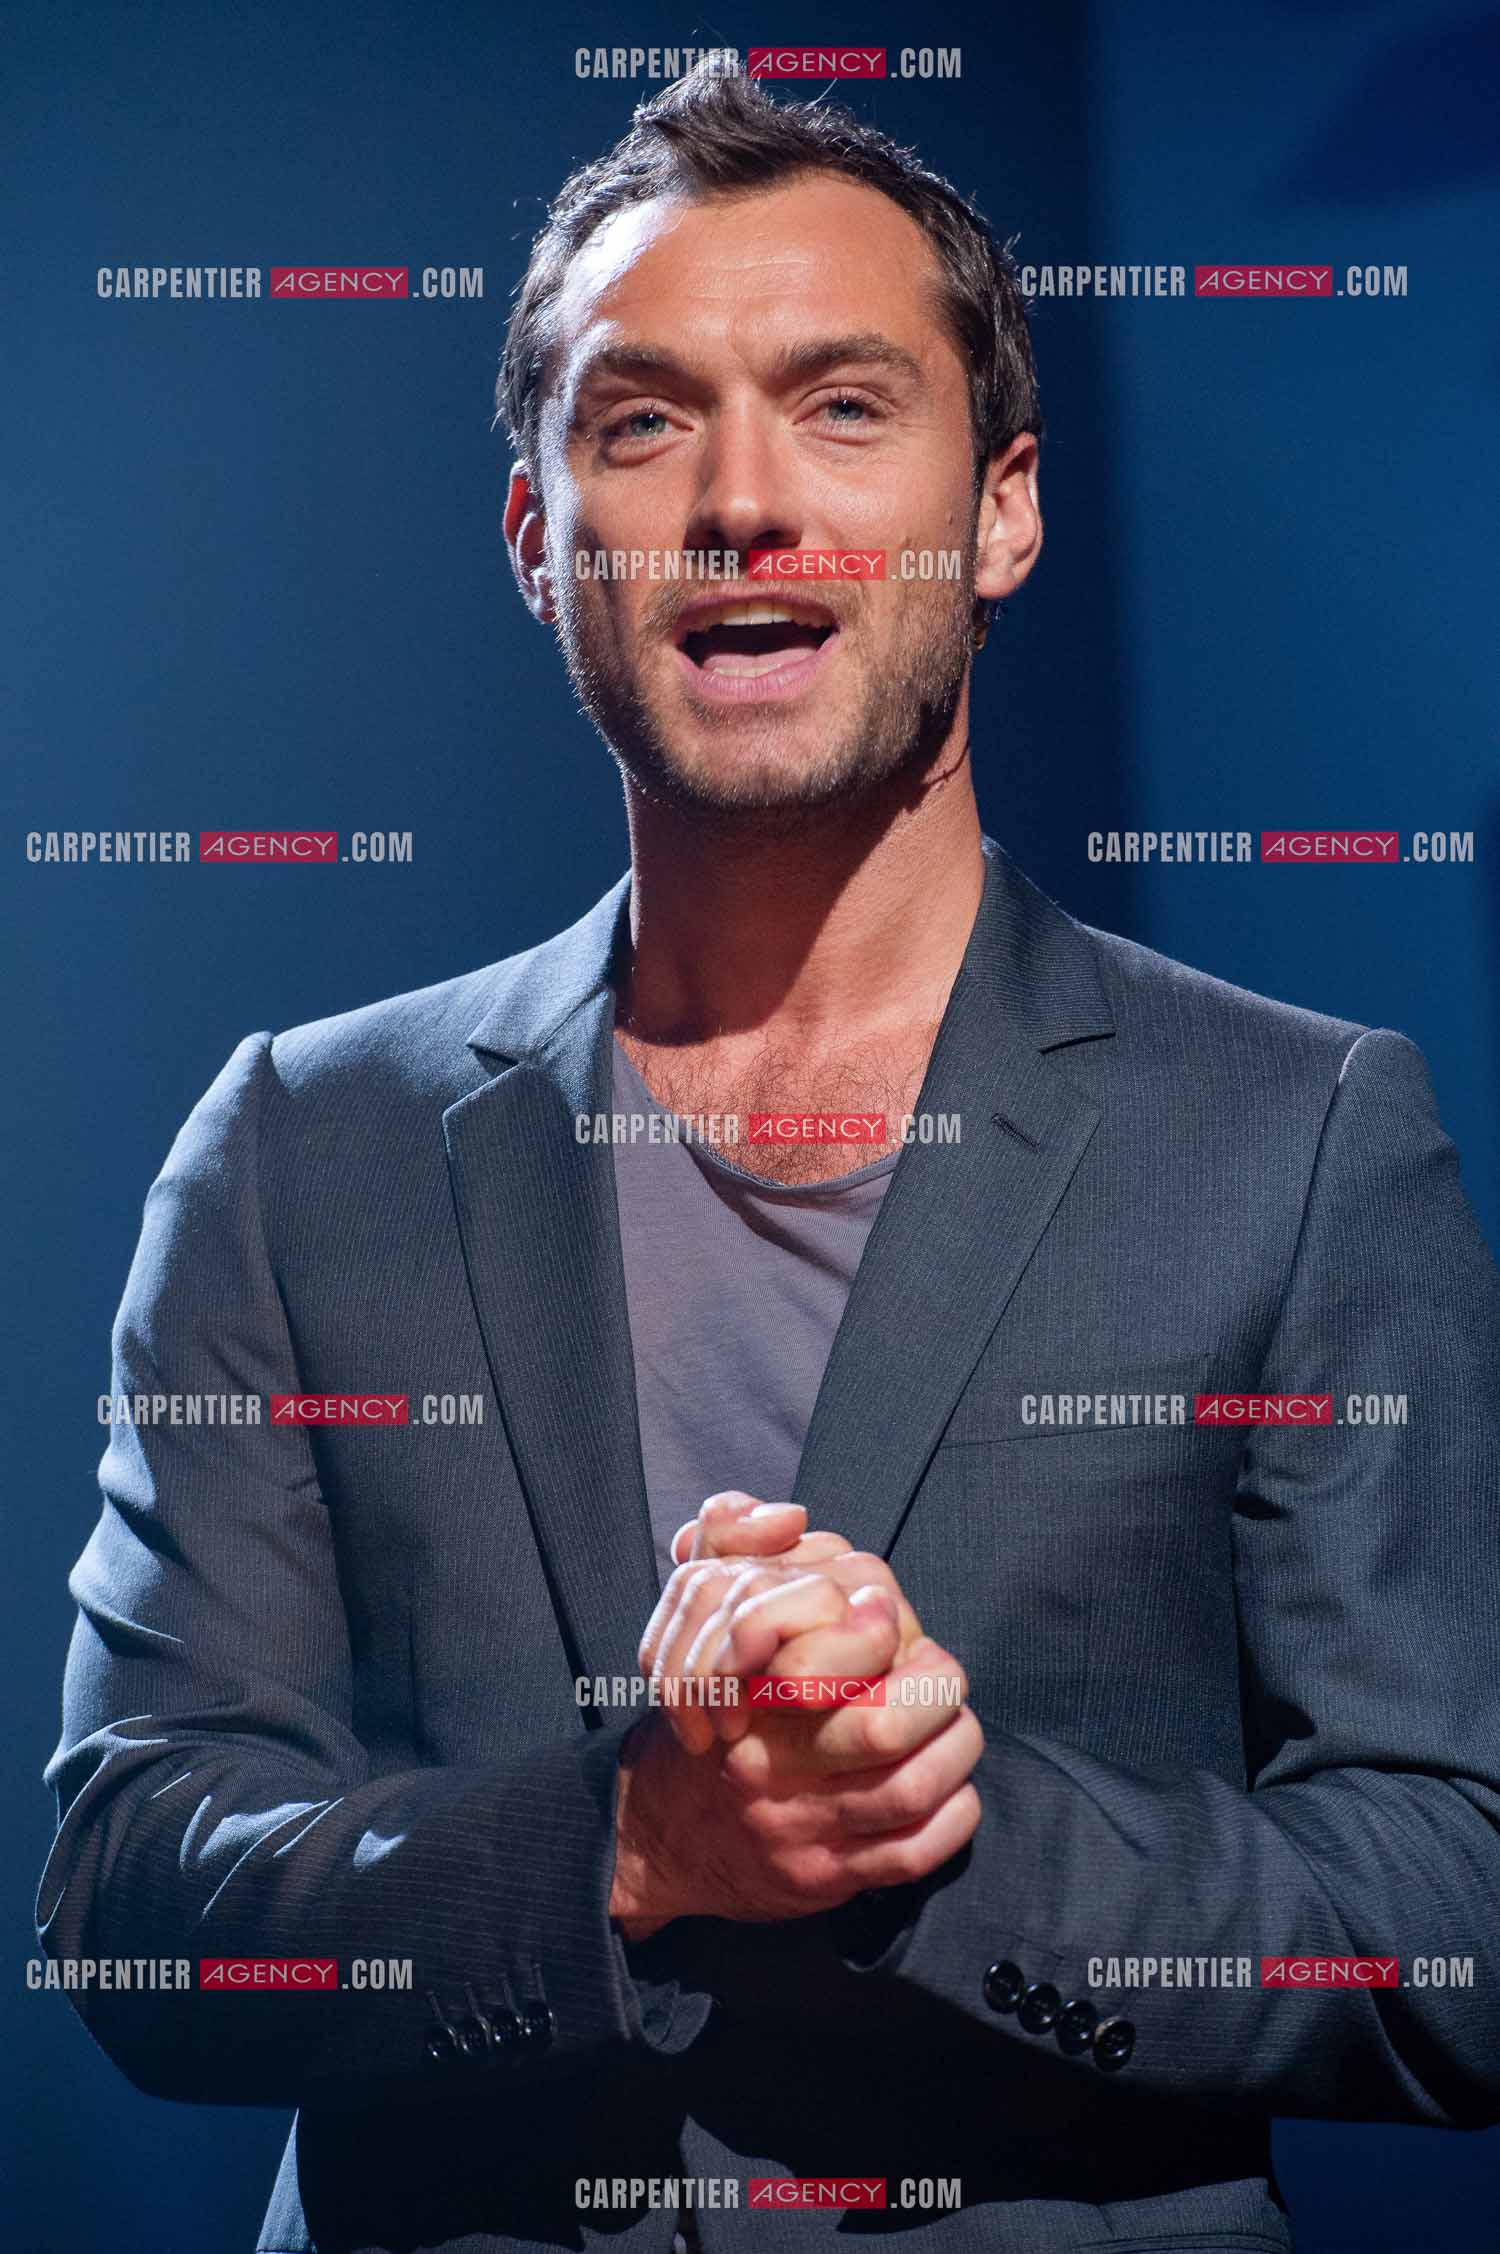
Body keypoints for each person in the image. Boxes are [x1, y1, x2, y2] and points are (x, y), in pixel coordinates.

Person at [39, 57, 1500, 2254]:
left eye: (843, 406)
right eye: (642, 422)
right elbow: (139, 1886)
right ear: (539, 539)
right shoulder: (295, 1141)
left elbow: (1450, 1918)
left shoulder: (1297, 1133)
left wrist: (923, 1828)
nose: (744, 500)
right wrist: (626, 1847)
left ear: (1000, 506)